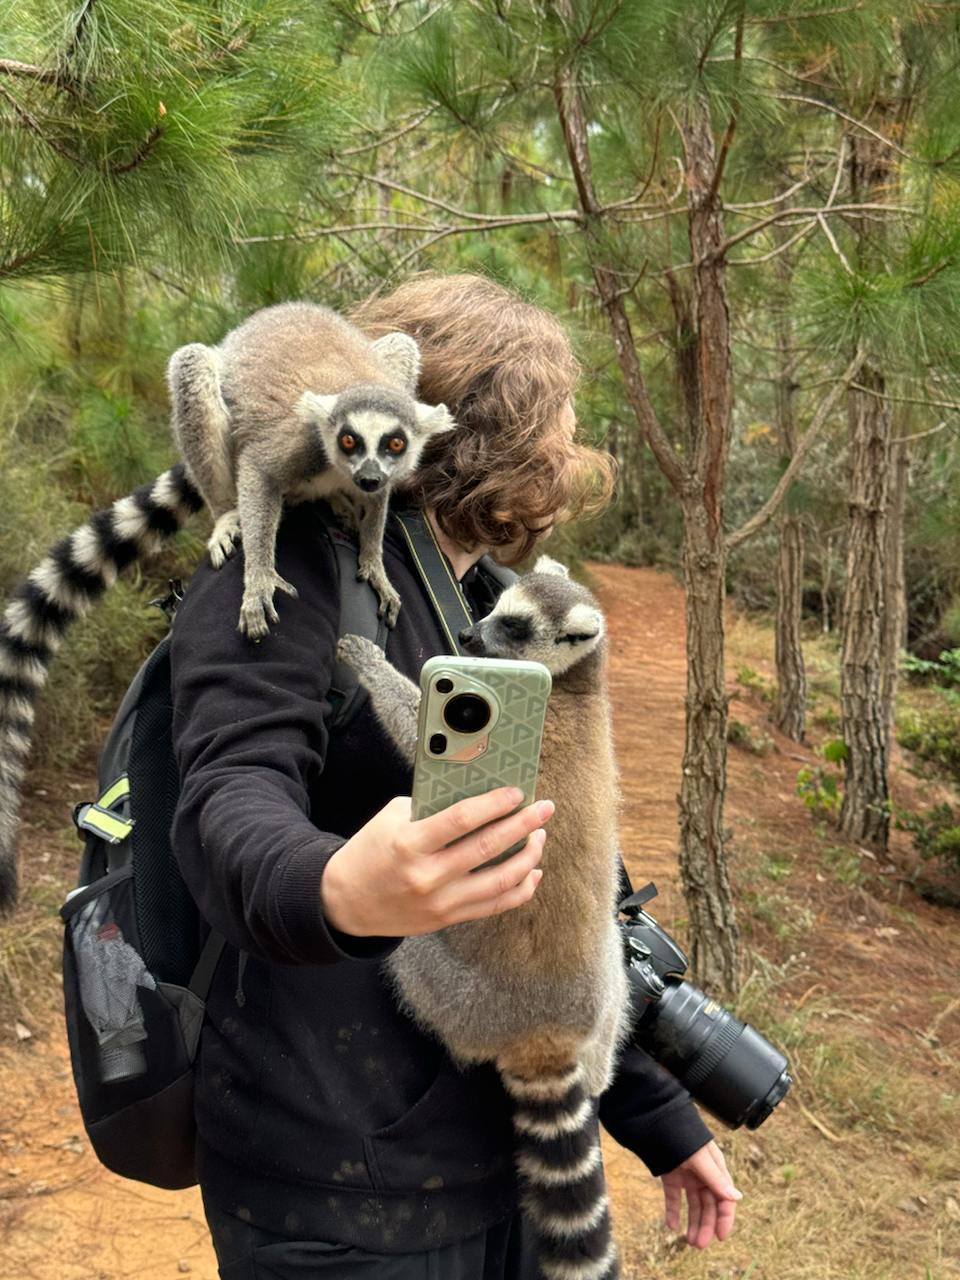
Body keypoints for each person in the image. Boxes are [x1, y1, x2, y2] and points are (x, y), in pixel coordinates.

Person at [169, 272, 743, 1279]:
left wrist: (659, 1112)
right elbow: (227, 795)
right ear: (510, 439)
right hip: (339, 1181)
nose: (565, 456)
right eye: (558, 430)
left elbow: (567, 874)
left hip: (508, 1156)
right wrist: (339, 883)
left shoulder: (499, 598)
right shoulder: (284, 569)